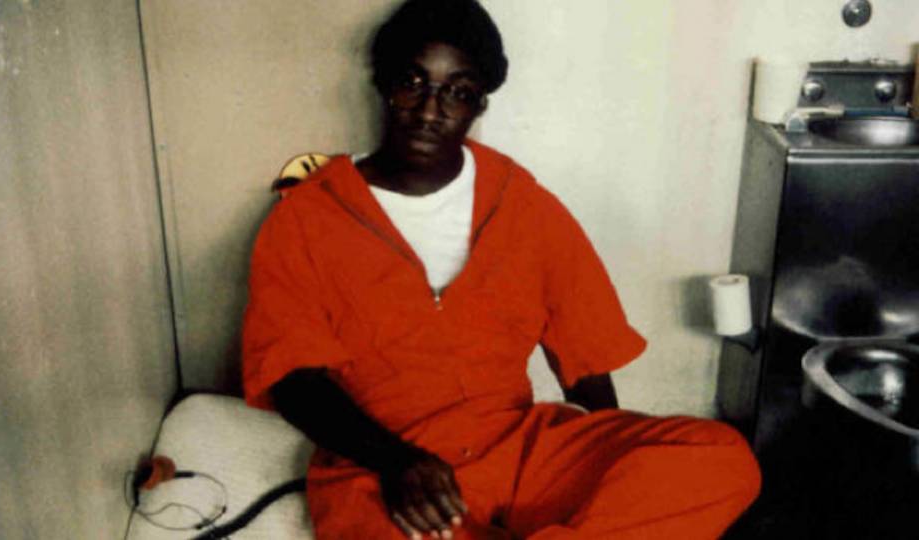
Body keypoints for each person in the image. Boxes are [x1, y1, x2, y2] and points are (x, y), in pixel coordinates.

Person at [242, 1, 761, 538]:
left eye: (457, 92)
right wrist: (396, 461)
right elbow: (293, 380)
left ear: (479, 105)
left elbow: (585, 354)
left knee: (722, 459)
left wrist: (606, 468)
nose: (429, 110)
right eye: (412, 83)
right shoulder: (309, 217)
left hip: (520, 449)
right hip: (383, 468)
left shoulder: (522, 204)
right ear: (383, 84)